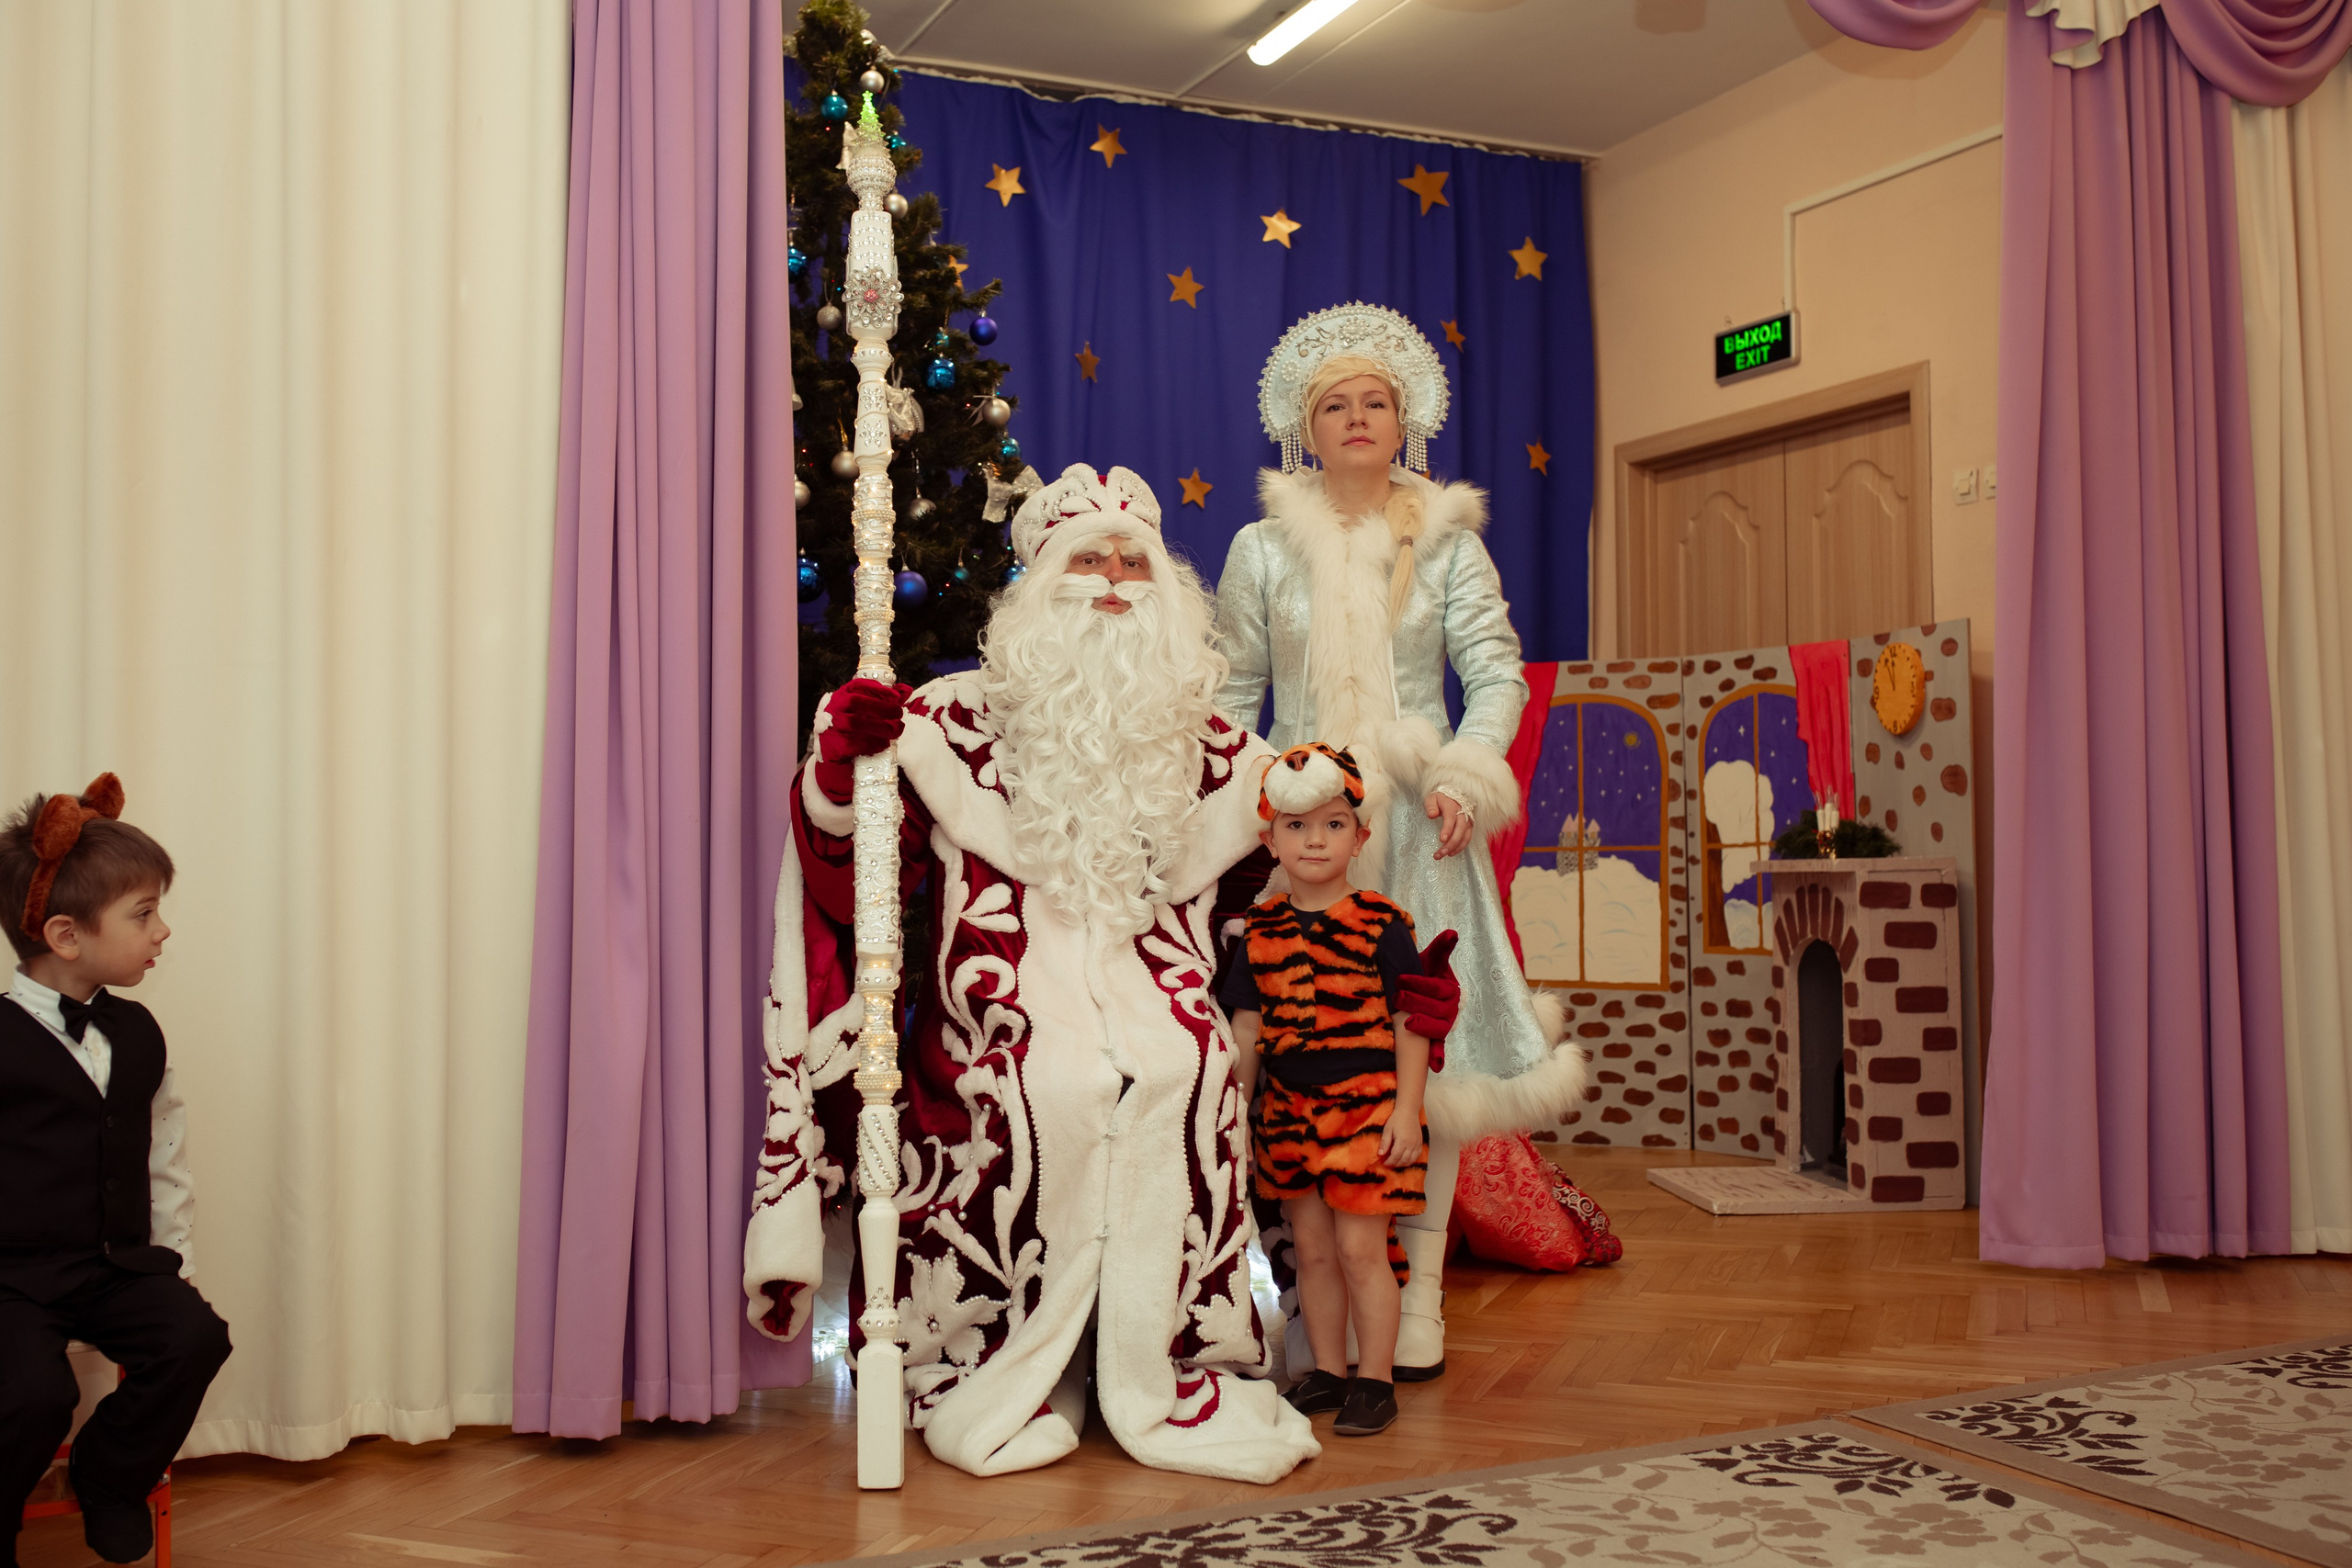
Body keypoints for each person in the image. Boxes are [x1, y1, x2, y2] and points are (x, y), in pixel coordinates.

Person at [743, 464, 1456, 1483]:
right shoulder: (946, 726)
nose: (1117, 579)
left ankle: (1156, 1357)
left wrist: (1385, 973)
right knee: (1051, 1087)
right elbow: (857, 885)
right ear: (1037, 584)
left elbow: (1297, 886)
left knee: (1186, 1071)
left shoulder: (1219, 751)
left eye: (1135, 560)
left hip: (1159, 998)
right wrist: (836, 780)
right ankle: (996, 1360)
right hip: (997, 1009)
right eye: (1089, 560)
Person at [1216, 303, 1587, 1380]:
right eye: (1334, 404)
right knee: (1295, 1053)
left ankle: (1416, 1293)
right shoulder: (1259, 549)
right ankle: (1304, 1293)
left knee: (1434, 1055)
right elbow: (1237, 685)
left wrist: (1465, 772)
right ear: (1304, 425)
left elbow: (1497, 671)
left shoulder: (1450, 540)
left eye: (1375, 400)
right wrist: (1253, 797)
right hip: (1296, 828)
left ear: (1406, 416)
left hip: (1424, 828)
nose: (1357, 417)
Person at [1, 776, 232, 1568]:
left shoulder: (136, 1031)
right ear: (67, 935)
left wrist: (176, 1269)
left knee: (194, 1337)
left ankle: (109, 1477)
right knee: (35, 1394)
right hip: (13, 1276)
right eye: (143, 913)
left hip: (113, 1265)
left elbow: (163, 1156)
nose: (162, 929)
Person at [1221, 743, 1457, 1438]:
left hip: (1366, 1114)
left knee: (1361, 1250)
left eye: (1331, 824)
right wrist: (1238, 1111)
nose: (1314, 839)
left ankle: (1376, 1380)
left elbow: (1415, 1017)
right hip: (1289, 1116)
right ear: (1269, 840)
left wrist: (1407, 1110)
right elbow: (1246, 1030)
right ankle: (1326, 1369)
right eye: (1296, 827)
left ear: (1360, 835)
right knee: (1312, 1250)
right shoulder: (1258, 932)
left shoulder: (1382, 922)